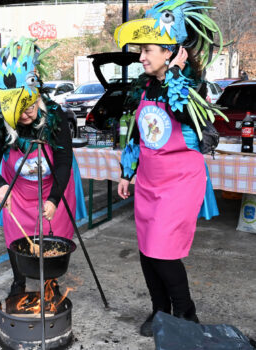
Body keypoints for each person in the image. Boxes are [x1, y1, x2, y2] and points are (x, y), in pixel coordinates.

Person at [114, 0, 228, 338]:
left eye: (147, 50)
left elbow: (182, 112)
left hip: (179, 183)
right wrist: (127, 171)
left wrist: (177, 74)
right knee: (148, 251)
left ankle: (186, 314)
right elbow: (137, 133)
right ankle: (160, 309)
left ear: (169, 52)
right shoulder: (146, 86)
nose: (141, 57)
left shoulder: (192, 87)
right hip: (149, 181)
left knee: (163, 252)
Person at [0, 38, 78, 297]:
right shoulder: (1, 123)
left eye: (30, 107)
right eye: (19, 111)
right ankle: (18, 282)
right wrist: (0, 187)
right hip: (19, 191)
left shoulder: (55, 116)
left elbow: (65, 162)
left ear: (38, 96)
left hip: (53, 186)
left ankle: (50, 280)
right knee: (16, 237)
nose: (25, 115)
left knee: (54, 234)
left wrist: (55, 199)